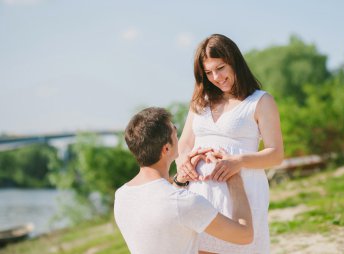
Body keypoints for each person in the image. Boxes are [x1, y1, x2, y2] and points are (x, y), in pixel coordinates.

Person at [176, 34, 284, 253]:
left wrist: (239, 161)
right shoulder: (200, 101)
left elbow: (276, 154)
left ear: (234, 61)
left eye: (221, 68)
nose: (216, 77)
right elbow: (185, 144)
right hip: (199, 193)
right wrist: (184, 164)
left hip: (242, 191)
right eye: (208, 72)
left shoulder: (261, 101)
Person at [114, 107, 254, 254]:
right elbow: (245, 235)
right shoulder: (185, 203)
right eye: (174, 131)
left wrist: (180, 180)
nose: (178, 136)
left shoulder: (122, 196)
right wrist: (234, 178)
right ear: (166, 149)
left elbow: (160, 207)